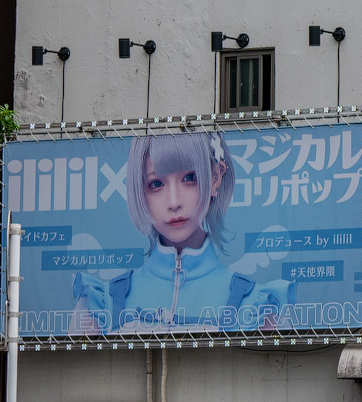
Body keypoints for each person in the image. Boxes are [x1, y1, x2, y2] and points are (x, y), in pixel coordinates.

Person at [73, 133, 289, 334]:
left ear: (215, 178)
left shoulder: (259, 306)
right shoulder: (100, 303)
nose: (174, 202)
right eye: (156, 184)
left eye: (189, 178)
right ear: (139, 190)